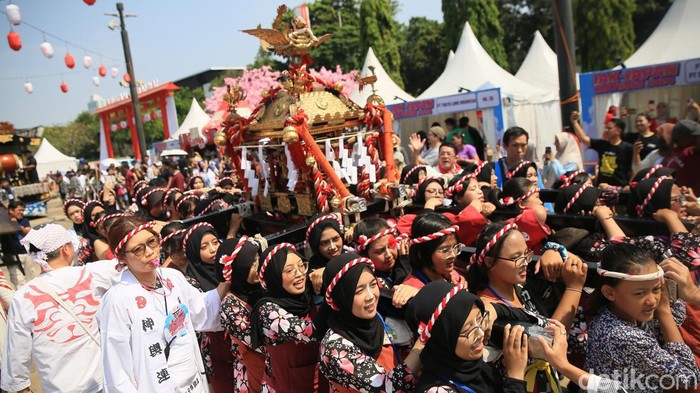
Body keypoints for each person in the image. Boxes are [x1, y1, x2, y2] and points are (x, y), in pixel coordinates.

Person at [100, 216, 230, 392]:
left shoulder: (173, 278)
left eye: (152, 242)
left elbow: (201, 309)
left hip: (192, 381)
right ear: (122, 256)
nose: (150, 252)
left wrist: (228, 277)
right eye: (138, 250)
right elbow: (117, 368)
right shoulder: (117, 299)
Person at [2, 224, 120, 393]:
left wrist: (22, 388)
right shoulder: (93, 274)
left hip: (60, 388)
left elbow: (16, 356)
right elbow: (129, 261)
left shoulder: (23, 297)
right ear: (66, 249)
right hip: (106, 381)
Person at [585, 243, 700, 392]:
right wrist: (664, 311)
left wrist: (679, 292)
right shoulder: (624, 337)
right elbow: (689, 376)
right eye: (640, 293)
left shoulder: (620, 311)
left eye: (656, 289)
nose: (652, 300)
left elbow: (674, 321)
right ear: (609, 292)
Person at [318, 253, 424, 392]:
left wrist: (415, 294)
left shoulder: (378, 316)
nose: (370, 296)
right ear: (342, 296)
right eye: (359, 291)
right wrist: (422, 342)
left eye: (373, 284)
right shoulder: (334, 348)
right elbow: (387, 388)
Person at [405, 281, 529, 393]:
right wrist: (515, 378)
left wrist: (495, 309)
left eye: (480, 320)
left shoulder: (475, 365)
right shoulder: (438, 390)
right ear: (443, 339)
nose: (480, 333)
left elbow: (534, 317)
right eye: (468, 330)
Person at [249, 243, 330, 393]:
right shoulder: (268, 310)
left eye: (301, 266)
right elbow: (309, 332)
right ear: (274, 276)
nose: (299, 274)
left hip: (319, 379)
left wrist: (326, 274)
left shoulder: (304, 294)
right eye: (289, 271)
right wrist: (331, 296)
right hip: (290, 386)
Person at [217, 237, 268, 393]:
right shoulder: (230, 306)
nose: (258, 266)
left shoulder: (265, 286)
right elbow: (257, 342)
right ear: (238, 269)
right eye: (251, 264)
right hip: (257, 372)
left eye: (258, 260)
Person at [402, 212, 466, 290]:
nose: (453, 255)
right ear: (422, 253)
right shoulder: (413, 290)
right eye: (445, 250)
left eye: (455, 247)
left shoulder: (452, 276)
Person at [571, 111, 633, 187]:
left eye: (609, 128)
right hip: (601, 187)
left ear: (619, 131)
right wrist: (575, 122)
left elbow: (635, 168)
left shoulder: (628, 148)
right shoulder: (602, 144)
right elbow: (584, 139)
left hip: (620, 189)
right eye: (606, 128)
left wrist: (630, 184)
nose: (606, 130)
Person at [663, 120, 700, 195]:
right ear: (682, 139)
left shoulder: (671, 156)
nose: (696, 139)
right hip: (688, 201)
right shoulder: (689, 153)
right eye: (694, 136)